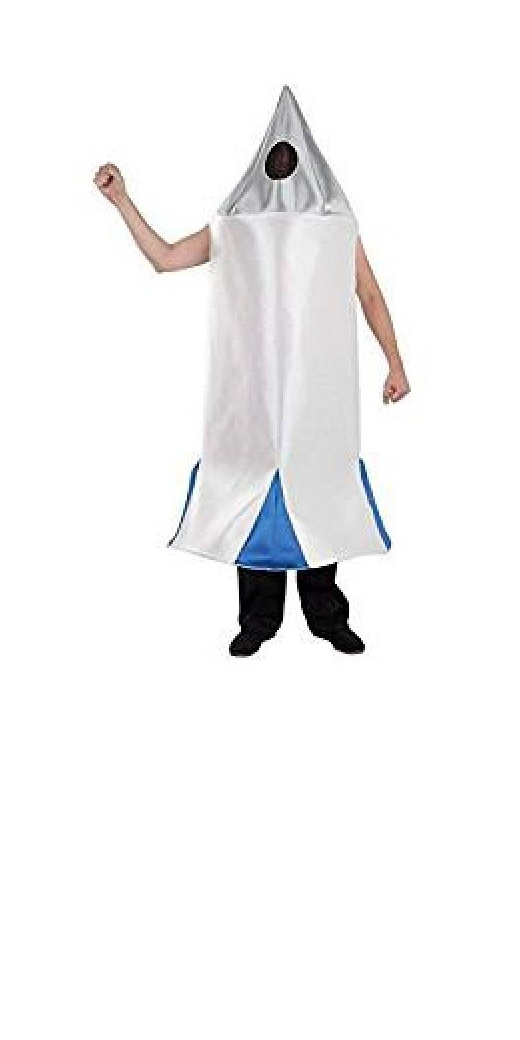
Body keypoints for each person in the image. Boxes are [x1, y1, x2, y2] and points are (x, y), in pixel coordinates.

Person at [93, 89, 409, 656]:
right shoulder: (235, 231)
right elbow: (165, 258)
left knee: (318, 485)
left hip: (317, 394)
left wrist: (395, 362)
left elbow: (368, 294)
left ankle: (327, 616)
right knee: (250, 484)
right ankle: (258, 620)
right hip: (253, 395)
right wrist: (122, 201)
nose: (283, 166)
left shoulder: (336, 229)